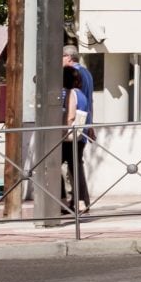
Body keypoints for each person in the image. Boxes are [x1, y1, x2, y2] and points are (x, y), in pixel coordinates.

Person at [59, 57, 94, 215]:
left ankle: (62, 201)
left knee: (54, 166)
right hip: (80, 136)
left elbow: (70, 116)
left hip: (67, 136)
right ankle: (80, 202)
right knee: (76, 167)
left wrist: (62, 128)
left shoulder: (70, 94)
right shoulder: (82, 95)